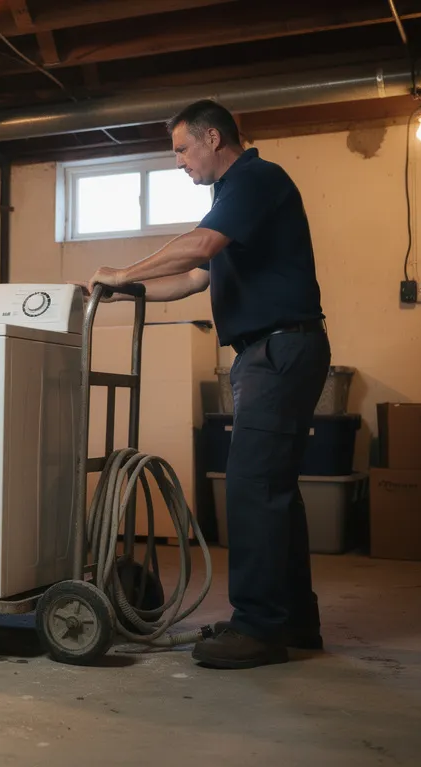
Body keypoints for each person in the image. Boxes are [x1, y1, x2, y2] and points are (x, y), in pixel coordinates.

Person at [82, 99, 330, 669]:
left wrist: (122, 271)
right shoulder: (233, 197)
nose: (178, 163)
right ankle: (293, 620)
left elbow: (200, 246)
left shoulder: (256, 178)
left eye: (181, 149)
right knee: (274, 492)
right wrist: (128, 291)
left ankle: (258, 627)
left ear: (213, 137)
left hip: (278, 348)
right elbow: (195, 277)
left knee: (249, 486)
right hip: (268, 350)